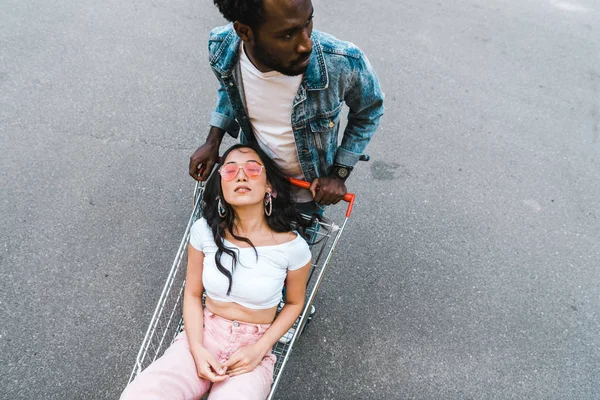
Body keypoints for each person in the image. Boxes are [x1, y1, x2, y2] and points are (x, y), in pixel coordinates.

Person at [121, 143, 312, 400]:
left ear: (269, 186)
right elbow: (192, 294)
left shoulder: (293, 247)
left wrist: (260, 348)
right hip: (203, 335)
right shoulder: (204, 231)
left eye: (253, 169)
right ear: (221, 186)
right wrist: (197, 349)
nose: (241, 175)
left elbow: (294, 303)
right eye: (230, 170)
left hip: (253, 346)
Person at [189, 0, 384, 215]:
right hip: (253, 182)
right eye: (288, 35)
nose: (306, 44)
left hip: (306, 193)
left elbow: (369, 110)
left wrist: (339, 174)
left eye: (308, 21)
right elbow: (229, 88)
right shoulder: (222, 48)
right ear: (244, 32)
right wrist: (212, 140)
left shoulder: (342, 61)